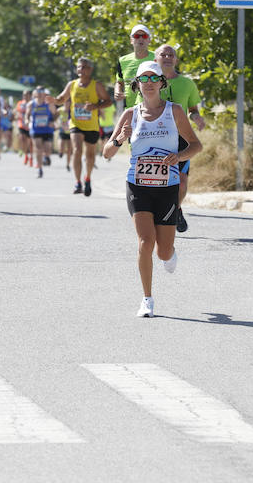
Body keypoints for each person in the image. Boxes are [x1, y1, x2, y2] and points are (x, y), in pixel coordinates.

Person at [104, 61, 202, 318]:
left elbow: (195, 145)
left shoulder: (175, 111)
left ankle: (169, 254)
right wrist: (118, 139)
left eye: (153, 78)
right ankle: (147, 299)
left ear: (161, 83)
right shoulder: (129, 115)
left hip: (167, 186)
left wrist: (179, 157)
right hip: (138, 185)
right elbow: (107, 152)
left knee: (163, 251)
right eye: (143, 79)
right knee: (145, 242)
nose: (148, 83)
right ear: (136, 85)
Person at [151, 44, 206, 232]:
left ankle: (176, 208)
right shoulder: (148, 81)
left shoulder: (187, 84)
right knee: (156, 182)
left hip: (181, 138)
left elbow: (192, 110)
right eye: (163, 54)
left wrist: (196, 117)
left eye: (171, 55)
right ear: (155, 59)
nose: (167, 57)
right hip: (155, 137)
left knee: (181, 182)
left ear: (175, 60)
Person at [55, 57, 112, 196]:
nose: (81, 69)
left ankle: (87, 178)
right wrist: (54, 100)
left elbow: (108, 101)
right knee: (77, 150)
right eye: (79, 67)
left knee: (90, 155)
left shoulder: (97, 85)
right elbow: (62, 98)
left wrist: (95, 106)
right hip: (76, 123)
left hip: (92, 125)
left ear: (90, 70)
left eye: (85, 67)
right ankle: (77, 182)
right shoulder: (72, 84)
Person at [114, 24, 155, 112]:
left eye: (144, 36)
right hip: (130, 110)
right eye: (136, 36)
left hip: (153, 109)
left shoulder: (157, 58)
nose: (140, 39)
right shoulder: (123, 60)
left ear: (149, 40)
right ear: (131, 40)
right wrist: (117, 91)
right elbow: (119, 81)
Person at [27, 86, 57, 177]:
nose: (39, 93)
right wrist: (26, 120)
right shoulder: (31, 104)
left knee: (47, 148)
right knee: (38, 148)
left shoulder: (49, 104)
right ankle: (40, 168)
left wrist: (52, 121)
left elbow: (55, 114)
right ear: (35, 93)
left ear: (44, 93)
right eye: (38, 91)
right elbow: (27, 115)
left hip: (47, 129)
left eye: (41, 91)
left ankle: (46, 157)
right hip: (36, 129)